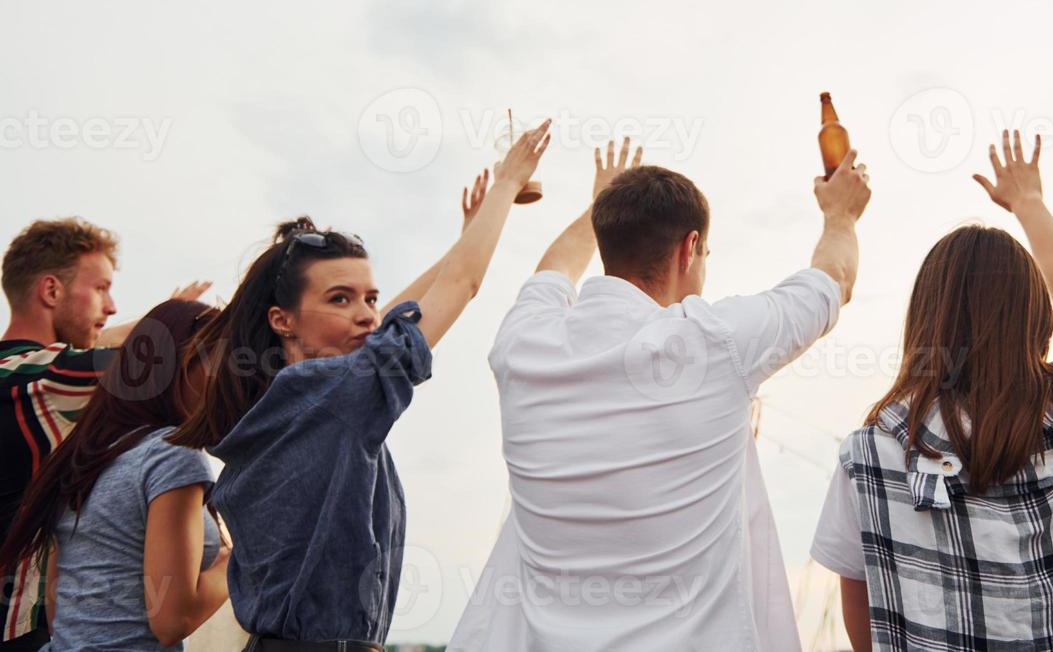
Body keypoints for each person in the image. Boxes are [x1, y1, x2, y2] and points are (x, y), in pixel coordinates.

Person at [448, 138, 872, 652]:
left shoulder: (522, 343)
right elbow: (835, 277)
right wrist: (841, 214)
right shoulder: (715, 344)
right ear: (689, 248)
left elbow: (554, 268)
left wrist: (601, 206)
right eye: (706, 253)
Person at [168, 120, 550, 652]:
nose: (367, 315)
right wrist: (508, 183)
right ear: (282, 320)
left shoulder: (285, 399)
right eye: (340, 299)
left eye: (369, 298)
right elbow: (461, 288)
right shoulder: (328, 395)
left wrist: (468, 235)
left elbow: (393, 320)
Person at [810, 132, 1053, 651]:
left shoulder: (871, 456)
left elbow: (867, 625)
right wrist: (1029, 201)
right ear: (1036, 317)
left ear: (925, 321)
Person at [0, 218, 210, 652]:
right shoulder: (42, 380)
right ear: (51, 290)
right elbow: (145, 363)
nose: (111, 306)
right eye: (100, 288)